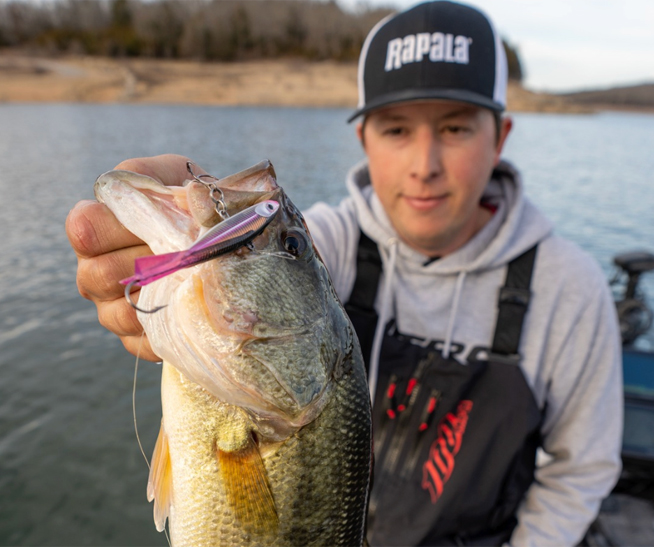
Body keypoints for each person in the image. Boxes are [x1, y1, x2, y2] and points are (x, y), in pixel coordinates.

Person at [66, 1, 623, 545]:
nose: (424, 165)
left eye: (455, 129)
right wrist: (160, 247)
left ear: (499, 138)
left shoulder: (568, 290)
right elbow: (274, 277)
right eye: (396, 130)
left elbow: (581, 470)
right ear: (364, 140)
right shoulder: (334, 242)